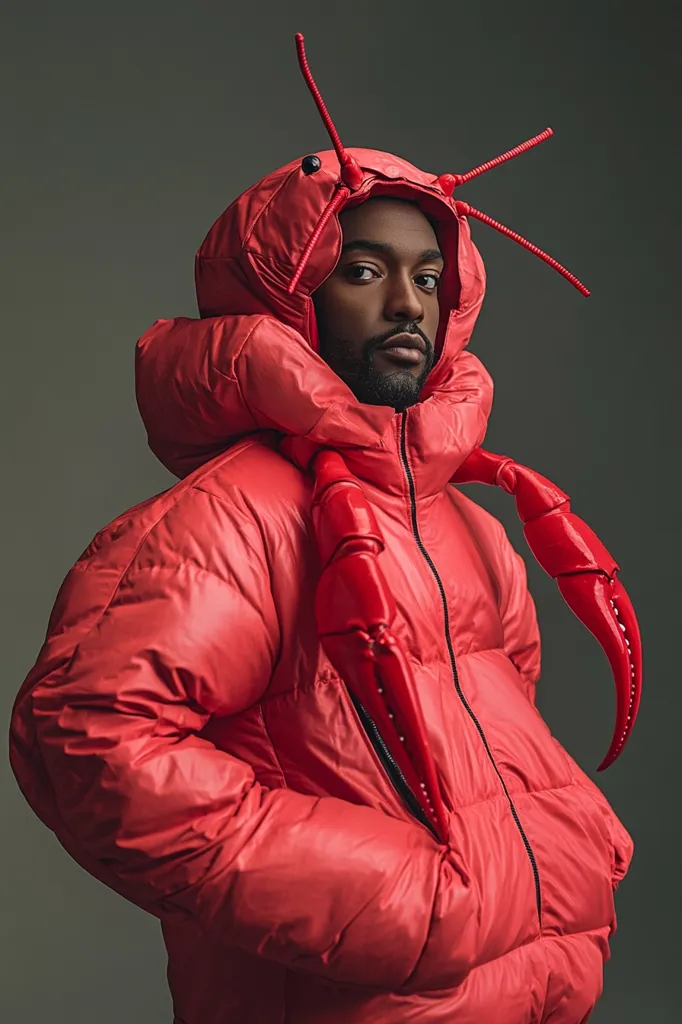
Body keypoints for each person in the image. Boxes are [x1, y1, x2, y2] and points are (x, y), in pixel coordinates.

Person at [9, 34, 639, 1024]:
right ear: (289, 293)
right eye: (364, 271)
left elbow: (495, 716)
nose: (406, 305)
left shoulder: (462, 518)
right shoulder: (229, 520)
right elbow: (84, 738)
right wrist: (394, 898)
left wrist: (572, 841)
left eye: (429, 278)